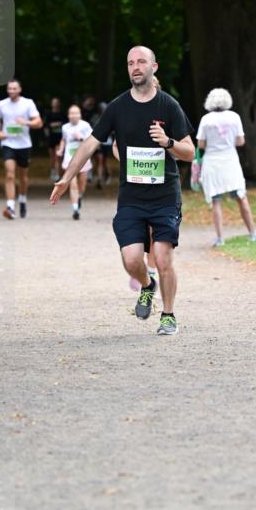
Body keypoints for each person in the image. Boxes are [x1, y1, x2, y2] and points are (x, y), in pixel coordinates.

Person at [50, 45, 194, 336]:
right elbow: (90, 144)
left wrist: (167, 142)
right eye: (130, 63)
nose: (136, 67)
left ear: (155, 67)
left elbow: (190, 152)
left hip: (165, 196)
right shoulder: (117, 107)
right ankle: (147, 285)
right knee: (131, 260)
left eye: (141, 61)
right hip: (131, 198)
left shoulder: (169, 106)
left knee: (164, 258)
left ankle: (168, 315)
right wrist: (67, 177)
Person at [195, 88, 256, 247]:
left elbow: (201, 144)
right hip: (230, 161)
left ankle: (220, 238)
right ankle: (253, 232)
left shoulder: (206, 119)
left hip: (212, 162)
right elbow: (240, 141)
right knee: (241, 197)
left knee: (216, 200)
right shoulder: (234, 117)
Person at [0, 79, 43, 220]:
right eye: (9, 89)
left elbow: (39, 123)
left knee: (23, 177)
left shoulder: (28, 103)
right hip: (7, 143)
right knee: (9, 174)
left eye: (14, 88)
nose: (12, 91)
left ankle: (22, 199)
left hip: (24, 144)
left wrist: (25, 122)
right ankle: (10, 206)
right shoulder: (2, 104)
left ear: (20, 89)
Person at [55, 104, 93, 219]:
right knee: (72, 184)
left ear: (80, 114)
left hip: (83, 158)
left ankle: (80, 196)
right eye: (71, 113)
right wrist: (60, 150)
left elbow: (92, 140)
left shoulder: (85, 125)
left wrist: (80, 138)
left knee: (82, 184)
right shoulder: (65, 127)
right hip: (69, 158)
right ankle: (75, 209)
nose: (74, 115)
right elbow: (64, 139)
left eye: (76, 113)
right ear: (68, 115)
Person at [44, 97, 66, 183]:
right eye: (54, 102)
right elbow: (46, 125)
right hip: (51, 138)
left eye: (56, 102)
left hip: (59, 137)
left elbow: (65, 124)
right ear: (51, 104)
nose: (55, 104)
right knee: (52, 157)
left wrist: (57, 124)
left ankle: (57, 174)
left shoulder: (62, 114)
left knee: (58, 156)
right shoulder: (48, 114)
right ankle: (52, 171)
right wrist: (47, 135)